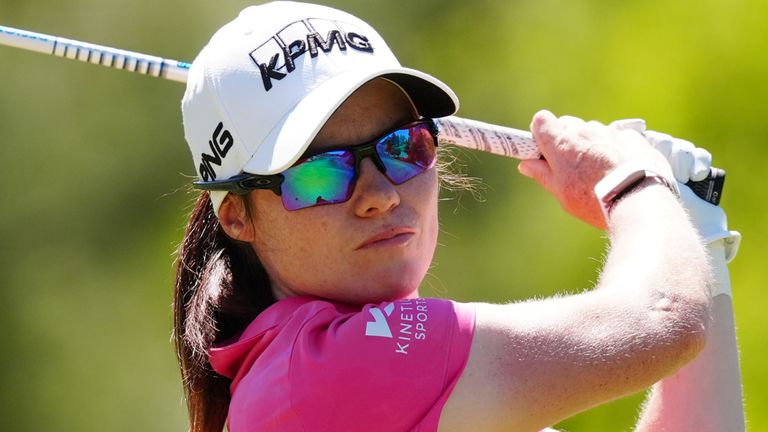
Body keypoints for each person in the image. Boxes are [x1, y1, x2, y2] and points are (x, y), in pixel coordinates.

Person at [173, 2, 744, 431]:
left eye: (403, 147)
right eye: (318, 176)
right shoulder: (325, 370)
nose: (379, 195)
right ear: (237, 216)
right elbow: (661, 321)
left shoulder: (370, 379)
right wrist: (637, 182)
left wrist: (695, 236)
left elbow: (674, 329)